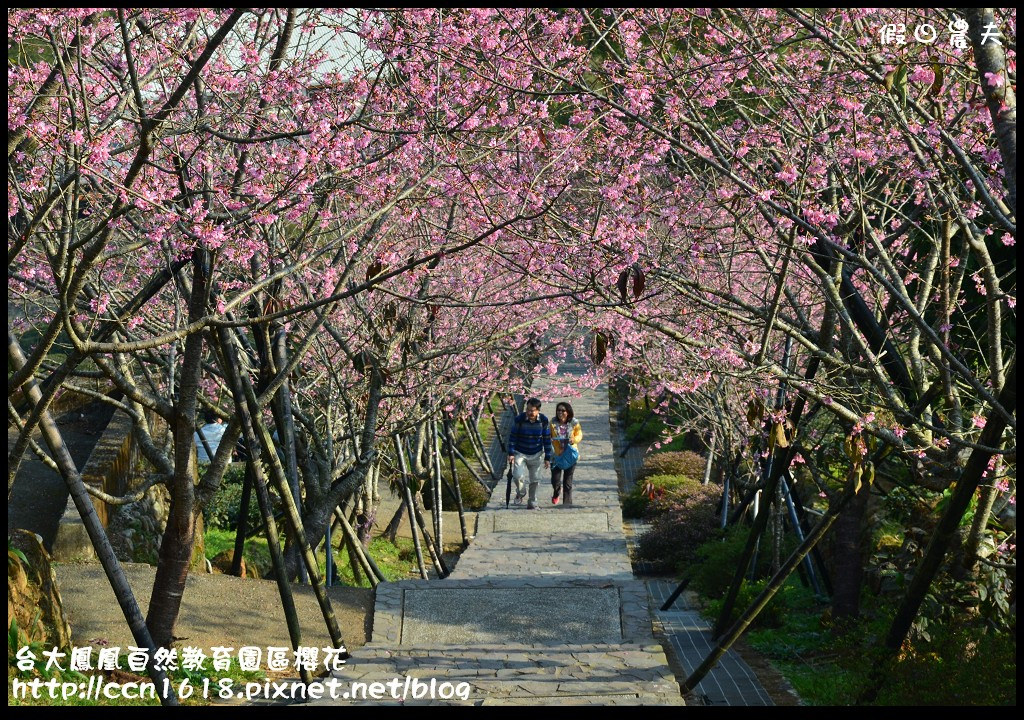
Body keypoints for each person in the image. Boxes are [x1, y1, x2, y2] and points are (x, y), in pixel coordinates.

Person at [507, 397, 552, 510]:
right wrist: (511, 453)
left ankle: (532, 502)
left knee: (535, 480)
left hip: (536, 453)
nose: (529, 412)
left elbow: (547, 438)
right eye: (528, 410)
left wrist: (547, 456)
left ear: (538, 410)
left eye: (532, 410)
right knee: (517, 476)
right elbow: (513, 436)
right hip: (520, 452)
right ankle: (521, 493)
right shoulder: (520, 419)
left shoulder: (543, 420)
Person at [550, 402, 583, 505]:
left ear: (568, 412)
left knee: (568, 481)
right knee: (555, 480)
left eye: (563, 410)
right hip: (556, 454)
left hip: (570, 454)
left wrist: (574, 439)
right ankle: (556, 492)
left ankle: (567, 504)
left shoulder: (574, 423)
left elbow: (579, 434)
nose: (560, 412)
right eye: (558, 410)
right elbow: (547, 433)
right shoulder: (552, 422)